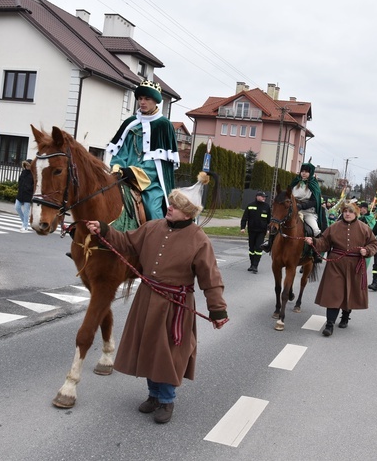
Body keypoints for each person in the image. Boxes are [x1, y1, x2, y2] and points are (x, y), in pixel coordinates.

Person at [85, 173, 228, 425]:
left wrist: (218, 311)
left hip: (175, 305)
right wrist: (104, 229)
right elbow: (126, 241)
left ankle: (166, 399)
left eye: (175, 206)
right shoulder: (153, 227)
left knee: (168, 353)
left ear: (188, 213)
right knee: (149, 348)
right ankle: (153, 395)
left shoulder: (199, 240)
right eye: (170, 203)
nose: (169, 207)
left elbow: (211, 279)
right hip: (147, 297)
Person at [106, 79, 179, 221]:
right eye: (140, 99)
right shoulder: (130, 123)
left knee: (152, 208)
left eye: (147, 99)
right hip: (124, 176)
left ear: (156, 101)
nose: (142, 102)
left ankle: (157, 237)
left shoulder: (164, 126)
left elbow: (159, 165)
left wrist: (135, 172)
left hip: (150, 182)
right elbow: (121, 153)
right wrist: (118, 169)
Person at [306, 202, 377, 336]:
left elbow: (374, 244)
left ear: (355, 213)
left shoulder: (364, 228)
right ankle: (329, 324)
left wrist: (367, 250)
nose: (347, 214)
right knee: (334, 292)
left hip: (355, 265)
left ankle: (345, 315)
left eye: (350, 211)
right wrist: (314, 242)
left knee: (349, 292)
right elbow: (324, 243)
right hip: (336, 264)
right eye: (345, 211)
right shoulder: (334, 227)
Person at [240, 190, 270, 273]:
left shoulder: (267, 207)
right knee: (251, 248)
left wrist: (268, 229)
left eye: (265, 197)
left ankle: (255, 265)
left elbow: (269, 219)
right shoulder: (250, 205)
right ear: (257, 197)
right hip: (252, 230)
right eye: (262, 196)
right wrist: (242, 227)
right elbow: (244, 217)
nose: (264, 198)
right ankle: (252, 264)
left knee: (258, 248)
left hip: (261, 231)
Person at [15, 159, 33, 232]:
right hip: (20, 193)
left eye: (29, 165)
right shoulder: (23, 172)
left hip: (28, 195)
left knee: (26, 211)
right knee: (17, 207)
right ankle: (24, 222)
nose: (27, 167)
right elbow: (20, 181)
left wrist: (29, 189)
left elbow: (34, 184)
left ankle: (25, 226)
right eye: (26, 165)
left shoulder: (33, 174)